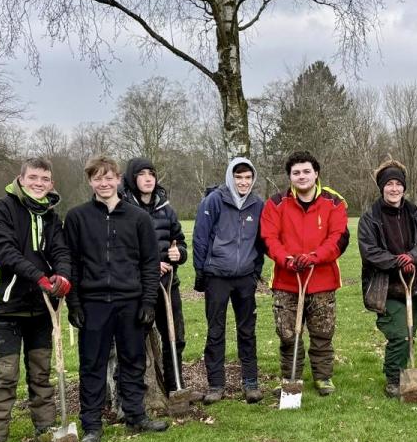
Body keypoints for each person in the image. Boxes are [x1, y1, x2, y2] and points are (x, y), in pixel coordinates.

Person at [64, 156, 168, 442]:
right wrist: (74, 303)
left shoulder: (138, 218)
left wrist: (149, 302)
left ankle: (135, 414)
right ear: (90, 182)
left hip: (130, 302)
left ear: (119, 180)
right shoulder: (77, 217)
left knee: (133, 361)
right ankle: (92, 425)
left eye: (109, 177)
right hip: (93, 303)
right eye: (98, 178)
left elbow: (149, 263)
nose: (104, 183)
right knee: (92, 364)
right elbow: (71, 262)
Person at [0, 157, 72, 442]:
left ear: (51, 184)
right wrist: (38, 276)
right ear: (20, 178)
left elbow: (60, 250)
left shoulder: (51, 216)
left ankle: (45, 427)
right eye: (33, 177)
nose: (39, 183)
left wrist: (62, 276)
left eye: (45, 179)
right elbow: (5, 252)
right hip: (6, 305)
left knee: (41, 372)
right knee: (5, 376)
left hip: (42, 307)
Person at [261, 151, 350, 396]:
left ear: (316, 173)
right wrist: (286, 260)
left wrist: (314, 257)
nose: (302, 177)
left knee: (322, 332)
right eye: (296, 172)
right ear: (290, 176)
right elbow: (268, 238)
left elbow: (338, 238)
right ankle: (292, 378)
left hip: (322, 280)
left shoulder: (334, 202)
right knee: (288, 334)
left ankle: (323, 377)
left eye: (306, 171)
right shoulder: (276, 203)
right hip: (286, 281)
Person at [357, 160, 417, 397]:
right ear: (382, 187)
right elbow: (370, 251)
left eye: (398, 184)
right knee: (400, 333)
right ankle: (394, 379)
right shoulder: (370, 218)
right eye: (389, 184)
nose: (394, 189)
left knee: (409, 332)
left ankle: (402, 371)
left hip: (414, 285)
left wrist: (412, 257)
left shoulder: (414, 212)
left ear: (404, 187)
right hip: (386, 288)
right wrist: (397, 262)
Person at [193, 157, 265, 404]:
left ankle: (251, 382)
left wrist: (255, 272)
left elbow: (261, 242)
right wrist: (202, 272)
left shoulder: (258, 205)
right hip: (218, 277)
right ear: (230, 178)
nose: (243, 182)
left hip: (245, 278)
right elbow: (200, 238)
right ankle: (216, 384)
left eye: (247, 177)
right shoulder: (214, 201)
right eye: (238, 177)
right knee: (215, 331)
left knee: (247, 331)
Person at [119, 158, 188, 394]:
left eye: (152, 173)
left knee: (174, 337)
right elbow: (121, 250)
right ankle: (137, 394)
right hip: (138, 287)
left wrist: (179, 253)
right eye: (142, 174)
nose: (148, 178)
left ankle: (175, 386)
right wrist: (150, 265)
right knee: (136, 341)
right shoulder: (122, 208)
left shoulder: (166, 209)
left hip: (169, 284)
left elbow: (181, 243)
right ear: (131, 178)